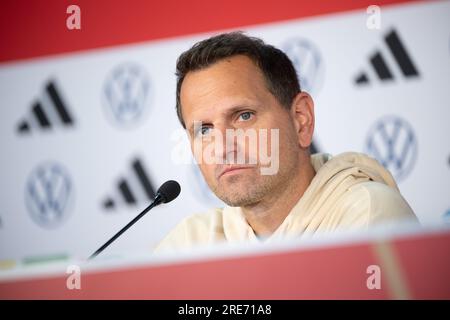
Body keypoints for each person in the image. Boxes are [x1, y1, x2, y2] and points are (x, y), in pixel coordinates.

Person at [155, 32, 417, 253]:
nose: (223, 148)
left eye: (244, 116)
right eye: (204, 130)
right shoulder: (188, 245)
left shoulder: (366, 216)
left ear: (301, 119)